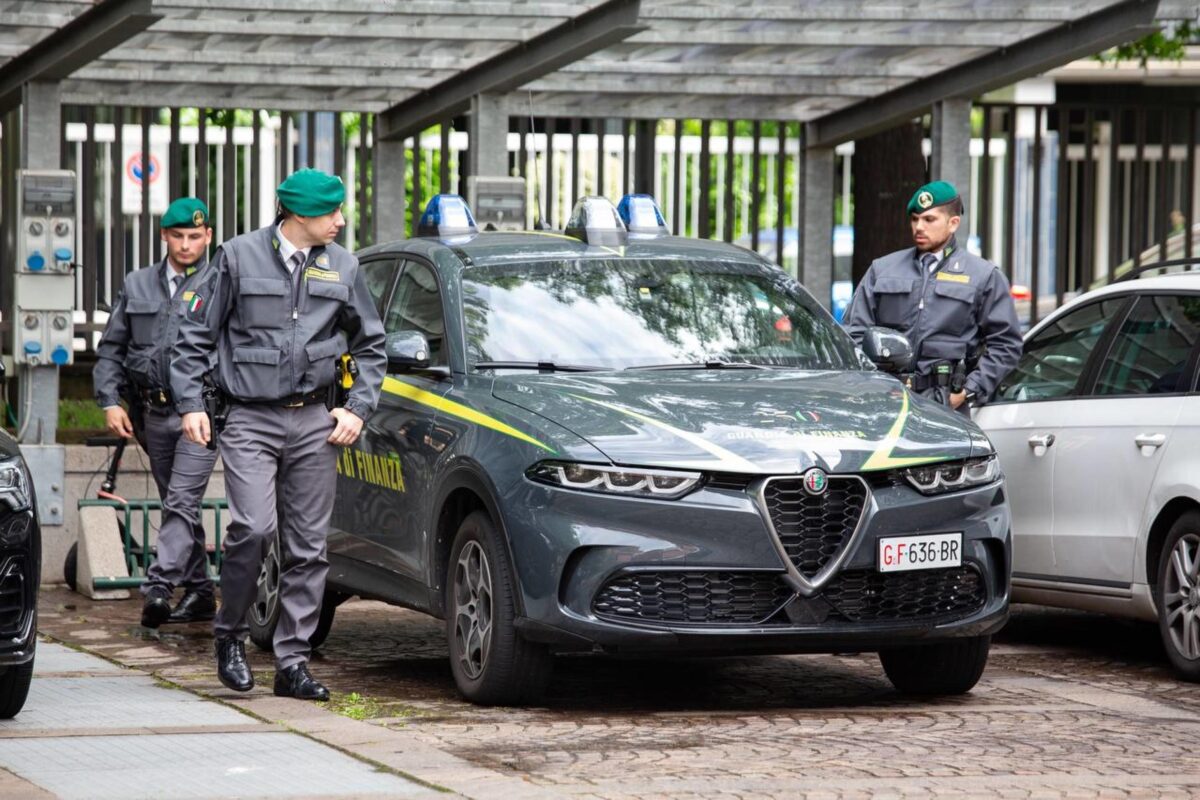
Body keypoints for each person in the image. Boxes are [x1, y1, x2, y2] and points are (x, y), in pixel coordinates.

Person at [172, 169, 386, 701]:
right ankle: (231, 635)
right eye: (330, 212)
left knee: (310, 547)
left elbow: (372, 346)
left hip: (315, 421)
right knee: (253, 529)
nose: (340, 220)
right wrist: (191, 405)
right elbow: (194, 337)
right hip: (249, 418)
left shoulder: (345, 266)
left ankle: (293, 662)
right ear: (297, 215)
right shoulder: (238, 257)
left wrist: (357, 406)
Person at [93, 198, 219, 628]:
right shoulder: (138, 283)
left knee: (181, 501)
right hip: (152, 413)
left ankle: (160, 587)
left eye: (195, 237)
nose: (186, 245)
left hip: (202, 414)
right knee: (177, 505)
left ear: (208, 237)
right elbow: (112, 348)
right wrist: (109, 400)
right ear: (164, 236)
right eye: (178, 236)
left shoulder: (220, 284)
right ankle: (201, 591)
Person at [843, 180, 1022, 414]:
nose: (919, 227)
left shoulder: (983, 276)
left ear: (953, 223)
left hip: (944, 405)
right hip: (884, 400)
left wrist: (967, 390)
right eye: (915, 218)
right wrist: (870, 383)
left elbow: (1006, 344)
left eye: (929, 220)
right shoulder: (883, 269)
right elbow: (853, 331)